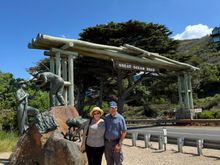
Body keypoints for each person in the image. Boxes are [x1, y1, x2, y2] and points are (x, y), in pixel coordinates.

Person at [104, 101, 127, 165]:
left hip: (116, 143)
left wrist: (119, 144)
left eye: (114, 108)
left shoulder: (120, 118)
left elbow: (124, 132)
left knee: (118, 162)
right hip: (107, 144)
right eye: (111, 108)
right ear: (109, 109)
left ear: (116, 108)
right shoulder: (106, 117)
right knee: (109, 162)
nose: (113, 110)